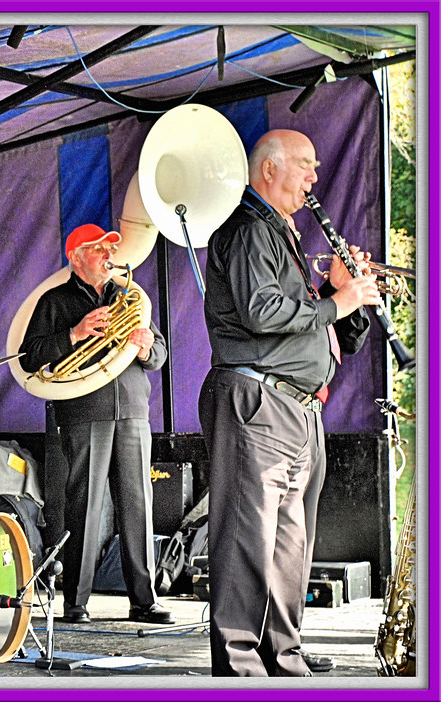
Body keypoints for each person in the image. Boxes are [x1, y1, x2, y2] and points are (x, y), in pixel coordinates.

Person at [199, 129, 375, 676]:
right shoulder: (250, 228)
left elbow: (328, 334)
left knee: (289, 547)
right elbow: (261, 313)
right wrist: (334, 303)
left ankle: (282, 655)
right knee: (248, 540)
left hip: (296, 409)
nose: (314, 178)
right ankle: (239, 665)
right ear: (269, 169)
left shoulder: (286, 239)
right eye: (305, 166)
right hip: (259, 400)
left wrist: (348, 298)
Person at [19, 223, 173, 626]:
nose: (109, 256)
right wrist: (75, 332)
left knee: (138, 504)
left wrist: (144, 346)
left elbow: (159, 354)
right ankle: (77, 602)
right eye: (100, 249)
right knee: (84, 505)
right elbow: (28, 356)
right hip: (85, 410)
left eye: (110, 249)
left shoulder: (129, 297)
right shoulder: (54, 300)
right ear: (76, 256)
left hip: (133, 410)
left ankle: (144, 600)